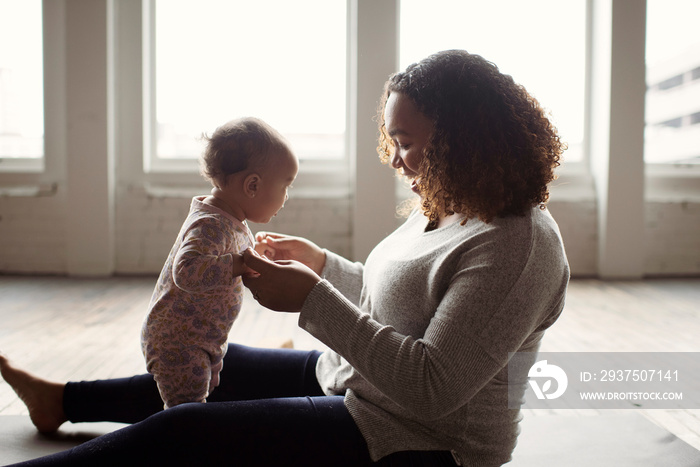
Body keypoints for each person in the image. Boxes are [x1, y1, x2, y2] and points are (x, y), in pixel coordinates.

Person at [0, 49, 569, 466]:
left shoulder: (519, 246)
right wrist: (323, 264)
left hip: (417, 438)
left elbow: (433, 385)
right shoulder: (451, 206)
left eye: (406, 141)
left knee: (185, 430)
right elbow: (401, 303)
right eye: (391, 139)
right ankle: (62, 401)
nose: (395, 159)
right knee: (218, 359)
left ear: (463, 140)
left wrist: (313, 299)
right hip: (362, 384)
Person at [142, 116, 298, 408]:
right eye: (285, 186)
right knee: (185, 414)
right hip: (180, 343)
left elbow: (228, 262)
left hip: (203, 338)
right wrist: (238, 262)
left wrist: (256, 257)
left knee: (198, 402)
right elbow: (186, 272)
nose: (286, 197)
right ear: (252, 185)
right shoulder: (209, 224)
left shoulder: (229, 220)